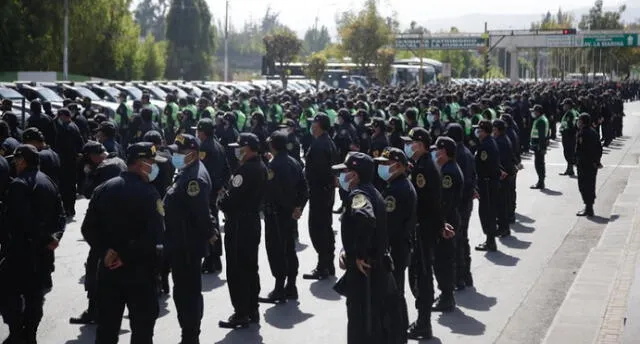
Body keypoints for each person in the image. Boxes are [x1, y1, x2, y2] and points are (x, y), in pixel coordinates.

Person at [81, 142, 166, 344]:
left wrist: (105, 251)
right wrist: (126, 256)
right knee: (142, 331)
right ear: (140, 163)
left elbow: (88, 228)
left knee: (107, 330)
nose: (155, 167)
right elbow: (155, 235)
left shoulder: (104, 188)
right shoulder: (149, 194)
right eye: (152, 162)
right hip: (140, 273)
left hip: (109, 271)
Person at [0, 145, 66, 344]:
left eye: (16, 161)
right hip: (44, 251)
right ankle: (30, 334)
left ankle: (18, 332)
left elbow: (22, 219)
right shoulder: (49, 182)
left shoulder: (20, 184)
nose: (15, 165)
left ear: (22, 161)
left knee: (6, 291)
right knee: (34, 295)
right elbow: (61, 216)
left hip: (22, 249)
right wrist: (54, 238)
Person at [333, 152, 399, 344]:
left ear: (355, 175)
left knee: (361, 324)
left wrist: (358, 254)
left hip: (365, 272)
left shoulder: (359, 194)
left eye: (346, 171)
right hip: (375, 267)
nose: (342, 176)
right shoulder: (371, 190)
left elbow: (365, 218)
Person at [164, 134, 217, 343]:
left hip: (187, 244)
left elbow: (201, 212)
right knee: (183, 291)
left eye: (179, 152)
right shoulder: (186, 171)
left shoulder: (194, 177)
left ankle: (190, 335)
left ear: (192, 153)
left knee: (188, 293)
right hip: (181, 241)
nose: (175, 155)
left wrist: (210, 233)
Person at [401, 128, 452, 340]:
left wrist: (439, 225)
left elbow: (428, 202)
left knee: (422, 275)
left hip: (423, 228)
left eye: (411, 142)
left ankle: (424, 323)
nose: (408, 145)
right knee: (420, 274)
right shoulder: (422, 165)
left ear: (420, 144)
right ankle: (423, 320)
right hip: (426, 227)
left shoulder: (423, 169)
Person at [69, 141, 127, 326]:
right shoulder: (118, 161)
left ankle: (95, 311)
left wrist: (87, 173)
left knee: (95, 270)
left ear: (93, 156)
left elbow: (88, 192)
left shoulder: (103, 168)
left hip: (104, 228)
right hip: (120, 226)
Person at [219, 133, 268, 328]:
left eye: (240, 147)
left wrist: (221, 200)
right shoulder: (261, 166)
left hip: (239, 224)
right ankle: (251, 308)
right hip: (252, 221)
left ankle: (241, 312)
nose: (237, 150)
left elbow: (231, 201)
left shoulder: (245, 171)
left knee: (238, 269)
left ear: (248, 148)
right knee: (250, 266)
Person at [374, 147, 416, 343]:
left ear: (398, 166)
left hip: (396, 249)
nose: (382, 167)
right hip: (401, 246)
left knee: (393, 295)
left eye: (386, 164)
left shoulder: (396, 191)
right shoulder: (397, 185)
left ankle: (397, 336)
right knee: (396, 293)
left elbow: (389, 227)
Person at [260, 131, 309, 302]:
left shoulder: (275, 166)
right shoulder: (293, 161)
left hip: (277, 214)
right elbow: (304, 188)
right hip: (288, 215)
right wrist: (298, 207)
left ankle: (280, 288)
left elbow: (275, 192)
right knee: (289, 250)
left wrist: (290, 207)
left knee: (277, 250)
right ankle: (291, 286)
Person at [303, 114, 338, 280]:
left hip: (319, 191)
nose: (312, 126)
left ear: (320, 125)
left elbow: (318, 172)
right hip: (327, 190)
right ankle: (328, 263)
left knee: (318, 228)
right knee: (326, 226)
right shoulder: (327, 141)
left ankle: (323, 265)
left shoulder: (319, 145)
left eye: (314, 124)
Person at [431, 137, 463, 312]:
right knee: (443, 258)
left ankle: (447, 296)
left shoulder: (449, 172)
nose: (436, 153)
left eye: (439, 150)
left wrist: (441, 223)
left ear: (445, 152)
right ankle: (445, 294)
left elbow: (446, 202)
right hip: (450, 218)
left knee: (443, 260)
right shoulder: (447, 168)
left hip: (448, 220)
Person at [195, 118, 230, 275]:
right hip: (215, 189)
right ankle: (215, 258)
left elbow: (201, 170)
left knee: (208, 222)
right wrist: (221, 186)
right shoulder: (218, 144)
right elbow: (227, 169)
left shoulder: (204, 147)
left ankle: (211, 258)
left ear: (202, 131)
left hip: (208, 190)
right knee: (213, 220)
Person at [445, 124, 476, 290]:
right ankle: (466, 275)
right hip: (466, 202)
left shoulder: (459, 155)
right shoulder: (467, 152)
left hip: (460, 204)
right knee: (463, 238)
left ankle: (460, 277)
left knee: (457, 240)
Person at [474, 120, 505, 252]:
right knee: (488, 211)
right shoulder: (489, 142)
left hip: (486, 183)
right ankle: (490, 239)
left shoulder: (485, 146)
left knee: (487, 212)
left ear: (485, 131)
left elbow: (486, 166)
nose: (478, 133)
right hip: (489, 181)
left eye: (480, 130)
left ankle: (490, 241)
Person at [53, 108, 85, 218]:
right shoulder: (73, 126)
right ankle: (70, 209)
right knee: (71, 186)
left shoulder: (66, 128)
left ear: (63, 116)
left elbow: (68, 146)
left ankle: (67, 209)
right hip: (71, 161)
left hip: (67, 161)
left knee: (66, 186)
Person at [492, 119, 516, 238]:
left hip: (503, 176)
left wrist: (500, 172)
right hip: (506, 174)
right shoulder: (503, 138)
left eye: (494, 128)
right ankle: (502, 227)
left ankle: (503, 228)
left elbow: (501, 160)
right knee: (503, 203)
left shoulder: (500, 141)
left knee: (501, 204)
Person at [575, 113, 603, 217]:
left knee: (584, 186)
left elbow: (583, 149)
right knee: (590, 185)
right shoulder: (593, 131)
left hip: (584, 164)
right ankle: (589, 207)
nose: (578, 122)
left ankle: (588, 208)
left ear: (582, 121)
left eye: (579, 120)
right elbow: (599, 149)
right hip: (592, 164)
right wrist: (597, 161)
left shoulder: (583, 133)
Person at [530, 104, 549, 189]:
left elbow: (541, 136)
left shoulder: (541, 121)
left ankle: (541, 182)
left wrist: (542, 148)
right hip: (538, 145)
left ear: (538, 112)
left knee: (539, 164)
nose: (533, 113)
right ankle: (541, 181)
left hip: (538, 146)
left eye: (534, 111)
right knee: (540, 163)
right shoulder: (542, 119)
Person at [559, 99, 578, 177]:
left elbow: (571, 125)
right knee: (569, 153)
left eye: (564, 105)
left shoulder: (571, 113)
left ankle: (571, 168)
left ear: (568, 105)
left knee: (569, 152)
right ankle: (569, 169)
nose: (563, 106)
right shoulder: (571, 112)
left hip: (569, 136)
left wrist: (564, 130)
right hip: (568, 135)